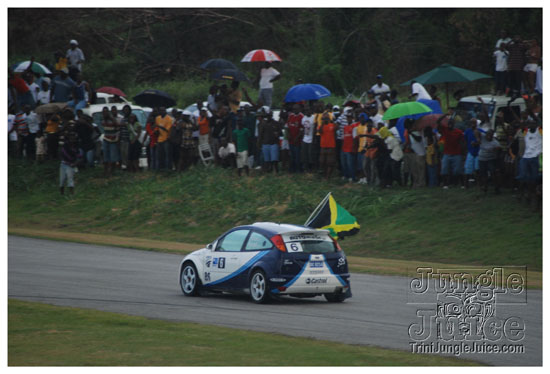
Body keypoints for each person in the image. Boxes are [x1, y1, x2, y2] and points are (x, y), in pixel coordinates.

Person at [437, 111, 465, 188]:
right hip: (447, 153)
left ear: (453, 124)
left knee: (458, 170)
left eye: (451, 123)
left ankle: (461, 183)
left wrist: (463, 152)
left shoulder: (458, 132)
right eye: (449, 123)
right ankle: (445, 184)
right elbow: (438, 122)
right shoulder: (445, 130)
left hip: (457, 153)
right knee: (444, 169)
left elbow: (462, 142)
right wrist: (444, 115)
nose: (450, 125)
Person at [476, 129, 502, 194]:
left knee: (493, 173)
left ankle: (496, 187)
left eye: (490, 135)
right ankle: (485, 187)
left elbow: (498, 150)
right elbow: (476, 131)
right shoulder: (483, 136)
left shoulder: (495, 143)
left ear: (492, 135)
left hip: (490, 159)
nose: (488, 136)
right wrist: (478, 139)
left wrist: (495, 152)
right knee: (483, 173)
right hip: (481, 158)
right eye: (487, 134)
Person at [257, 106, 281, 173]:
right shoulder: (263, 124)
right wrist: (259, 143)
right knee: (267, 161)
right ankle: (268, 172)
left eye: (270, 115)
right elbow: (260, 135)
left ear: (272, 115)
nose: (268, 117)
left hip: (273, 143)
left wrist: (277, 134)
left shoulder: (276, 123)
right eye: (267, 116)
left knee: (274, 160)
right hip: (265, 144)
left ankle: (276, 172)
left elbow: (280, 133)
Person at [357, 114, 377, 185]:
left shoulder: (373, 131)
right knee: (365, 166)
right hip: (368, 151)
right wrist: (365, 148)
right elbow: (367, 142)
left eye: (370, 126)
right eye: (368, 126)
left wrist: (364, 136)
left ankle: (372, 182)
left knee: (372, 168)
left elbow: (374, 141)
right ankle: (368, 180)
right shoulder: (366, 131)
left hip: (373, 152)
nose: (368, 127)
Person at [101, 107, 119, 177]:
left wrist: (110, 117)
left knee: (112, 157)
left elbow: (117, 124)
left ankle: (111, 172)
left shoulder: (112, 119)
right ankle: (105, 171)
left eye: (106, 112)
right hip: (106, 139)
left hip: (113, 140)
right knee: (105, 157)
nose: (104, 113)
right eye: (103, 112)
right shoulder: (103, 120)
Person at [318, 113, 337, 180]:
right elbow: (319, 131)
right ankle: (324, 174)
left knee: (329, 162)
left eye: (326, 118)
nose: (325, 119)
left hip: (331, 146)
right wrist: (323, 123)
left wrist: (332, 121)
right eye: (323, 118)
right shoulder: (321, 126)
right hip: (323, 146)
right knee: (322, 161)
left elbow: (336, 128)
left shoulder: (332, 125)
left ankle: (327, 176)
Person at [340, 111, 358, 182]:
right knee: (344, 163)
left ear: (352, 118)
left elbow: (355, 139)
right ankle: (345, 175)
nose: (348, 119)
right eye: (347, 118)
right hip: (344, 147)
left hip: (350, 148)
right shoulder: (345, 127)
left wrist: (353, 148)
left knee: (350, 164)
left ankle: (352, 176)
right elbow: (343, 138)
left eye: (350, 118)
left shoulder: (354, 127)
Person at [286, 104, 304, 173]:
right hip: (291, 140)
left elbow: (302, 129)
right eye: (293, 109)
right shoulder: (291, 116)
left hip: (298, 140)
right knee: (292, 155)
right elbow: (288, 126)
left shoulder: (301, 116)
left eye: (296, 109)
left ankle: (298, 169)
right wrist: (288, 134)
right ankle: (292, 169)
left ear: (299, 109)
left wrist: (297, 137)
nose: (294, 110)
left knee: (298, 156)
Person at [463, 118, 480, 188]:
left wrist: (476, 143)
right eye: (472, 122)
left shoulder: (479, 131)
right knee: (468, 169)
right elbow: (465, 141)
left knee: (477, 169)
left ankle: (478, 184)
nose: (473, 124)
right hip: (470, 152)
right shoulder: (467, 131)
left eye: (474, 123)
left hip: (478, 152)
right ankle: (466, 184)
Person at [300, 106, 315, 172]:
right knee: (304, 154)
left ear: (310, 110)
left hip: (311, 138)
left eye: (308, 110)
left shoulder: (313, 117)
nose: (307, 111)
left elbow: (315, 128)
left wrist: (314, 139)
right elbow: (303, 128)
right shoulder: (303, 118)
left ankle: (311, 168)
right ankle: (305, 168)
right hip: (305, 138)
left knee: (310, 154)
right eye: (305, 110)